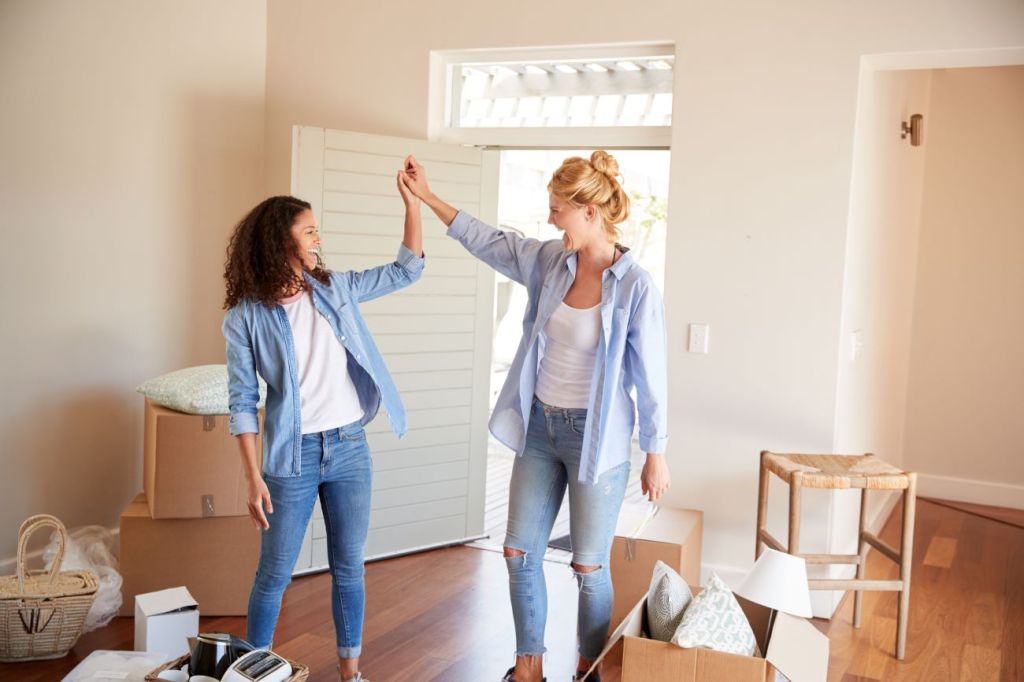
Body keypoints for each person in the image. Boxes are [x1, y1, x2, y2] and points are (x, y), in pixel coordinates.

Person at [399, 151, 671, 682]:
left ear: (590, 210)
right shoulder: (551, 262)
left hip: (598, 439)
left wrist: (656, 454)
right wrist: (427, 196)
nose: (550, 220)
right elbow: (491, 241)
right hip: (541, 428)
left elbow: (651, 379)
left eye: (557, 210)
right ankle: (528, 669)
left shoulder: (635, 288)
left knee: (588, 566)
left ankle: (588, 669)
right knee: (518, 551)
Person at [222, 174, 424, 682]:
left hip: (350, 447)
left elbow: (407, 270)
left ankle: (350, 672)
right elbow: (243, 402)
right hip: (291, 457)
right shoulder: (246, 317)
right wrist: (252, 478)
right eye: (310, 232)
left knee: (349, 568)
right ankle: (252, 674)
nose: (318, 240)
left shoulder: (336, 288)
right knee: (274, 575)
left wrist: (412, 203)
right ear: (280, 242)